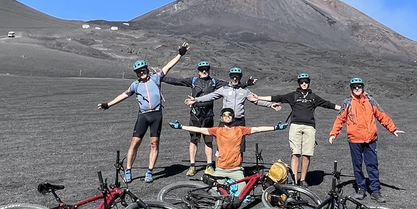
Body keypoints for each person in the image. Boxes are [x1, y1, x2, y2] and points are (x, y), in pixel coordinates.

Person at [98, 42, 189, 183]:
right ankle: (128, 170)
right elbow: (123, 95)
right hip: (143, 115)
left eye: (143, 70)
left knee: (154, 143)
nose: (142, 73)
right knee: (135, 142)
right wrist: (108, 104)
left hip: (156, 115)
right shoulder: (135, 85)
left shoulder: (156, 78)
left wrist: (180, 54)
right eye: (139, 72)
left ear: (147, 69)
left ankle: (149, 172)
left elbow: (168, 66)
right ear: (136, 73)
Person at [168, 107, 288, 196]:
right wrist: (181, 126)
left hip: (236, 170)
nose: (227, 117)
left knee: (243, 194)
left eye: (230, 115)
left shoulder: (240, 129)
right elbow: (199, 129)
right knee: (214, 194)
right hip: (221, 169)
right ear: (221, 118)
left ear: (233, 117)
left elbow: (257, 129)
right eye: (224, 115)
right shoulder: (217, 130)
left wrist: (275, 127)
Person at [163, 61, 255, 177]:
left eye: (206, 69)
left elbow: (232, 84)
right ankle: (192, 166)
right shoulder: (193, 80)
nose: (204, 71)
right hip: (195, 115)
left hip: (208, 115)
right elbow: (177, 81)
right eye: (202, 69)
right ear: (198, 71)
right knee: (194, 140)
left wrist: (246, 83)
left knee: (208, 141)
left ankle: (209, 165)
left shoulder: (214, 82)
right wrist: (161, 78)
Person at [249, 73, 340, 186]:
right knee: (295, 153)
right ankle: (295, 180)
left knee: (307, 154)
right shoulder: (293, 95)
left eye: (306, 82)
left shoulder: (313, 97)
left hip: (309, 127)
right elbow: (278, 97)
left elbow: (327, 104)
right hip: (295, 126)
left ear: (309, 83)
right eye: (302, 82)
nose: (304, 84)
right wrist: (258, 97)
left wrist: (344, 109)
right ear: (298, 83)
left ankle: (303, 179)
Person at [328, 77, 404, 202]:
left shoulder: (370, 101)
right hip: (355, 140)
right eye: (354, 87)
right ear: (351, 89)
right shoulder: (347, 102)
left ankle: (375, 191)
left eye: (359, 86)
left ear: (363, 87)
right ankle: (361, 189)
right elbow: (340, 119)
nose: (357, 88)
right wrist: (333, 134)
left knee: (372, 165)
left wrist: (393, 129)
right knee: (357, 166)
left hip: (370, 139)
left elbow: (381, 115)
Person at [184, 66, 281, 154]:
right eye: (233, 76)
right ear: (230, 77)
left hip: (239, 121)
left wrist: (270, 105)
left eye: (237, 77)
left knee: (239, 147)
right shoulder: (224, 89)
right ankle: (220, 166)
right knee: (221, 145)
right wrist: (196, 100)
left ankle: (238, 165)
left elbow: (255, 100)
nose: (235, 78)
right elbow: (211, 96)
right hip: (225, 120)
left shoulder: (244, 91)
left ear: (240, 77)